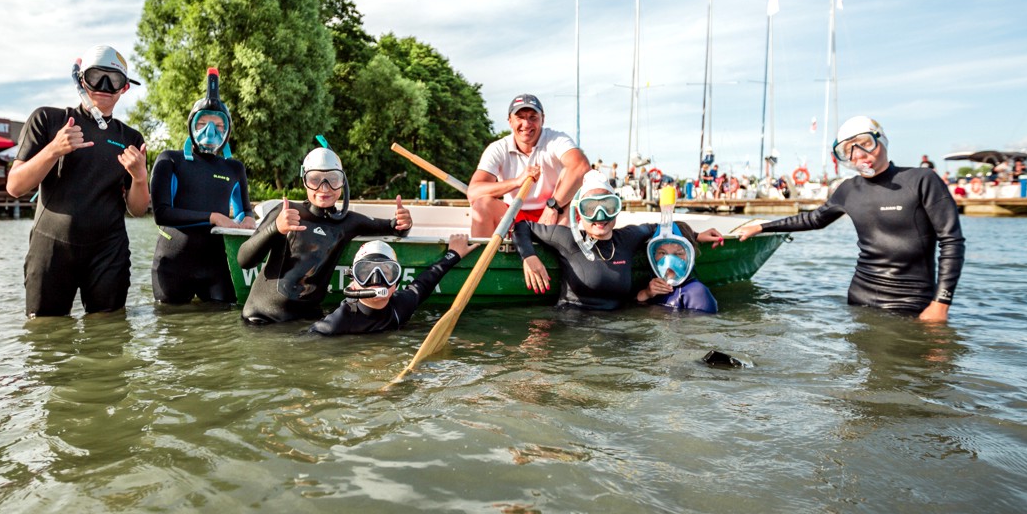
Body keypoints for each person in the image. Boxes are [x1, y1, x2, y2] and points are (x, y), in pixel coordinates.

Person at [736, 116, 963, 322]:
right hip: (859, 298)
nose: (859, 154)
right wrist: (762, 226)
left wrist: (940, 304)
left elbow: (951, 241)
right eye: (849, 150)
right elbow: (814, 219)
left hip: (911, 302)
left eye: (865, 144)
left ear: (881, 140)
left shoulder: (921, 180)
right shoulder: (848, 189)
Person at [6, 44, 148, 317]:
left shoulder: (131, 138)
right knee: (45, 335)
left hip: (109, 251)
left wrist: (140, 178)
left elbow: (138, 209)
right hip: (51, 246)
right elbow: (15, 186)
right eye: (97, 77)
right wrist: (53, 149)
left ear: (124, 88)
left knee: (108, 337)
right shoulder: (48, 120)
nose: (104, 86)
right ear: (82, 79)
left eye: (114, 80)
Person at [238, 146, 412, 324]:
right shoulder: (287, 212)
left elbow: (393, 227)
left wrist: (404, 223)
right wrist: (275, 228)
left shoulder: (348, 222)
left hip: (307, 320)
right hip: (261, 319)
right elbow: (244, 261)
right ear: (304, 181)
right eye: (315, 180)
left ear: (342, 182)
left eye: (332, 179)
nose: (324, 188)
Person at [514, 170, 724, 310]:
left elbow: (662, 226)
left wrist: (695, 235)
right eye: (590, 208)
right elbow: (521, 226)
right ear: (579, 213)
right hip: (573, 326)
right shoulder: (566, 238)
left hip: (616, 326)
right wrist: (529, 256)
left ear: (617, 210)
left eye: (608, 207)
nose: (599, 216)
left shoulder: (628, 238)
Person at [149, 67, 255, 304]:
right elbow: (162, 213)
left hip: (217, 267)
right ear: (192, 126)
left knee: (219, 333)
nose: (210, 131)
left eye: (218, 126)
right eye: (203, 123)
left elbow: (243, 210)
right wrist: (214, 217)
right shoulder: (170, 160)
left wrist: (247, 220)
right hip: (173, 265)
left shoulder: (234, 168)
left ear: (227, 131)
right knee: (172, 329)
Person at [468, 93, 591, 236]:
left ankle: (559, 250)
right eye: (520, 117)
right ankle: (485, 255)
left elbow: (581, 167)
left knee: (571, 190)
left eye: (533, 117)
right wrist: (517, 181)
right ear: (510, 121)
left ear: (542, 119)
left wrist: (553, 206)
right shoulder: (498, 148)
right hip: (514, 214)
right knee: (482, 204)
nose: (526, 124)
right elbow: (473, 192)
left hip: (555, 212)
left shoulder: (556, 139)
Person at [310, 235, 477, 335]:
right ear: (353, 282)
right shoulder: (336, 323)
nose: (376, 280)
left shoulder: (401, 306)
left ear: (396, 283)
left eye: (386, 272)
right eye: (365, 272)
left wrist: (453, 254)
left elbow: (426, 281)